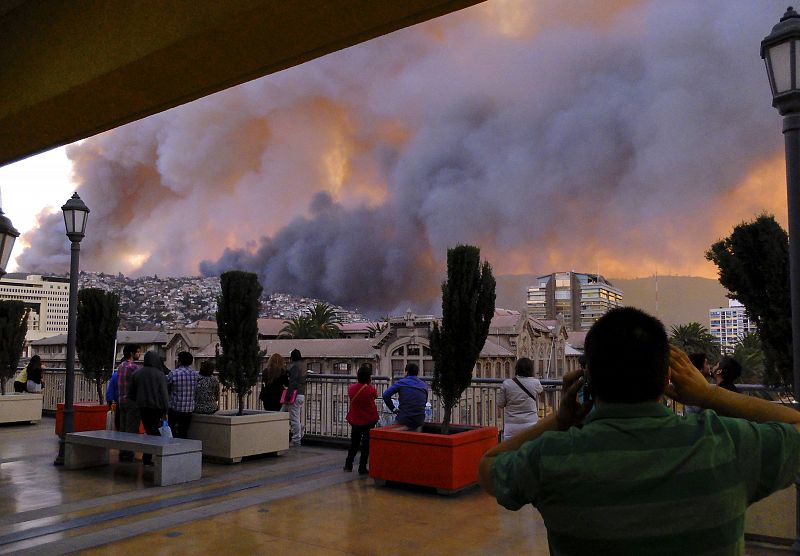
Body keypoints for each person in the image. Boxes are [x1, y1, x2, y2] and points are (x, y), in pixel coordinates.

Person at [479, 307, 800, 555]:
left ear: (587, 380)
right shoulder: (726, 444)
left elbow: (488, 465)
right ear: (667, 379)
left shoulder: (551, 458)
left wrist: (560, 421)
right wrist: (708, 394)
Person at [128, 350, 170, 467]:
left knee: (150, 430)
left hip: (142, 407)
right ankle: (158, 454)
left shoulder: (136, 373)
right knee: (153, 431)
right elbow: (164, 395)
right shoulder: (160, 374)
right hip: (157, 408)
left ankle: (147, 458)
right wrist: (166, 410)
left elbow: (131, 394)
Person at [497, 357, 543, 441]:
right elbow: (540, 390)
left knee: (510, 450)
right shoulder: (535, 382)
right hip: (530, 424)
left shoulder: (507, 384)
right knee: (530, 450)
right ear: (531, 369)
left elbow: (500, 404)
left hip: (512, 425)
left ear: (516, 369)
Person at [344, 364, 379, 474]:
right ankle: (362, 467)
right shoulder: (370, 389)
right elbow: (375, 396)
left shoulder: (351, 389)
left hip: (355, 419)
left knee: (354, 442)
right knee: (366, 444)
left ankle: (348, 464)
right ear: (369, 378)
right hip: (369, 420)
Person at [382, 362, 428, 431]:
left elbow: (385, 395)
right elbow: (424, 402)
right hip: (419, 419)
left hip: (404, 418)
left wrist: (393, 409)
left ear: (406, 372)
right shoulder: (424, 385)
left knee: (393, 434)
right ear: (417, 373)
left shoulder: (402, 382)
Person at [116, 344, 142, 462]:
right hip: (132, 402)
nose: (139, 354)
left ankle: (122, 452)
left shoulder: (121, 366)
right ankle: (128, 454)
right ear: (131, 353)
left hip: (121, 400)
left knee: (123, 427)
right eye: (137, 352)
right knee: (131, 429)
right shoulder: (134, 368)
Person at [166, 351, 198, 438]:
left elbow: (167, 389)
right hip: (189, 409)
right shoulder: (195, 375)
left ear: (179, 361)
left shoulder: (173, 373)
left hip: (175, 408)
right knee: (184, 431)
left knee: (172, 431)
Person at [284, 349, 307, 446]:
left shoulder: (294, 367)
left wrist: (288, 396)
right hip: (301, 394)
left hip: (295, 395)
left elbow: (292, 382)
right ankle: (300, 427)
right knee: (294, 416)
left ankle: (296, 440)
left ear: (292, 357)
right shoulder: (303, 366)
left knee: (293, 418)